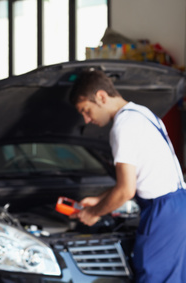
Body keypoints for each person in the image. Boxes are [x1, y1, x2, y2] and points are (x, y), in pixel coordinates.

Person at [68, 69, 186, 283]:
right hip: (177, 205)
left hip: (162, 211)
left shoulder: (123, 126)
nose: (86, 119)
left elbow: (126, 190)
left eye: (86, 110)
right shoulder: (142, 113)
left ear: (101, 97)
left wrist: (94, 212)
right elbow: (141, 177)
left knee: (155, 277)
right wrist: (99, 198)